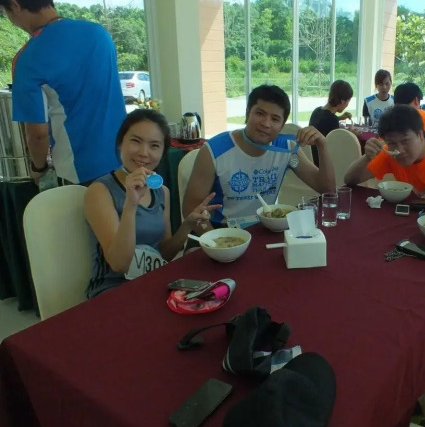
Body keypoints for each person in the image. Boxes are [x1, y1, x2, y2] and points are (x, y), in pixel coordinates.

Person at [0, 0, 126, 185]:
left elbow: (37, 133)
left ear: (14, 5)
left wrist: (38, 167)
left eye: (5, 13)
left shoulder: (28, 59)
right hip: (124, 160)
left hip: (79, 172)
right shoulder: (100, 35)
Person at [85, 110, 218, 298]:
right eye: (136, 141)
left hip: (154, 284)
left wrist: (188, 225)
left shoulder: (162, 192)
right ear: (120, 143)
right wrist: (131, 203)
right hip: (112, 290)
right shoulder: (100, 191)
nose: (144, 153)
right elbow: (119, 264)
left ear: (163, 152)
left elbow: (163, 254)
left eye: (154, 145)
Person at [183, 84, 336, 232]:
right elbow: (190, 208)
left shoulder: (287, 149)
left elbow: (327, 190)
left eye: (275, 119)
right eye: (260, 114)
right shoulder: (214, 150)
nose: (266, 123)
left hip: (264, 229)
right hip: (221, 229)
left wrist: (322, 145)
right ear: (247, 113)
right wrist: (215, 240)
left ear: (282, 125)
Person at [308, 80, 353, 166]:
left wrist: (339, 118)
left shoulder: (317, 111)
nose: (347, 105)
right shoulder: (332, 120)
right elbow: (338, 144)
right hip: (323, 162)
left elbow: (324, 122)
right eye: (348, 101)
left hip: (311, 158)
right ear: (343, 101)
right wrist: (351, 133)